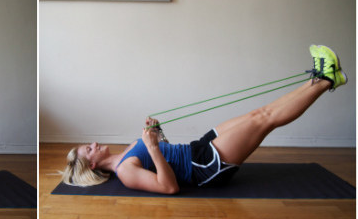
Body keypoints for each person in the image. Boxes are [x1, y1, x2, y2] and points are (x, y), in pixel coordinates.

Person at [61, 42, 347, 193]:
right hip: (205, 167)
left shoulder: (123, 158)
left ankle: (325, 77)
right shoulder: (125, 173)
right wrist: (151, 147)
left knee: (258, 114)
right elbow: (169, 186)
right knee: (266, 119)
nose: (94, 143)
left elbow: (167, 159)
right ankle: (325, 79)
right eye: (89, 149)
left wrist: (157, 137)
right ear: (93, 163)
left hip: (198, 149)